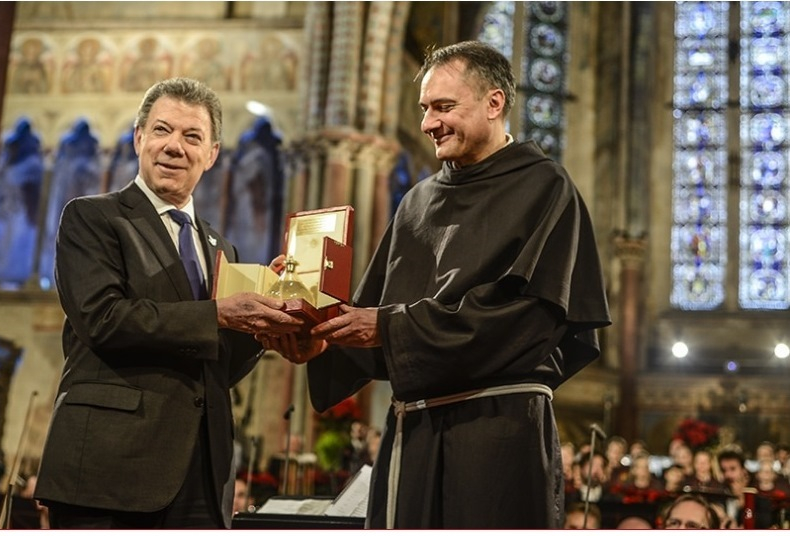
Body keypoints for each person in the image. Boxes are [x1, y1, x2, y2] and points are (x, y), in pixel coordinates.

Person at [265, 40, 611, 528]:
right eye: (425, 108)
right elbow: (374, 321)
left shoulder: (547, 188)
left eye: (444, 107)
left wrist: (388, 327)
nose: (429, 123)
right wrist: (319, 340)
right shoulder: (417, 203)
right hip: (414, 432)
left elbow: (526, 322)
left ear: (494, 103)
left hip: (497, 432)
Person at [33, 77, 304, 529]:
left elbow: (217, 365)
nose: (174, 146)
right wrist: (219, 314)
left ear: (212, 154)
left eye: (192, 136)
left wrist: (264, 326)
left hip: (202, 472)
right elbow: (103, 319)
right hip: (110, 468)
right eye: (162, 130)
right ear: (138, 138)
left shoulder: (222, 249)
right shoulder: (93, 217)